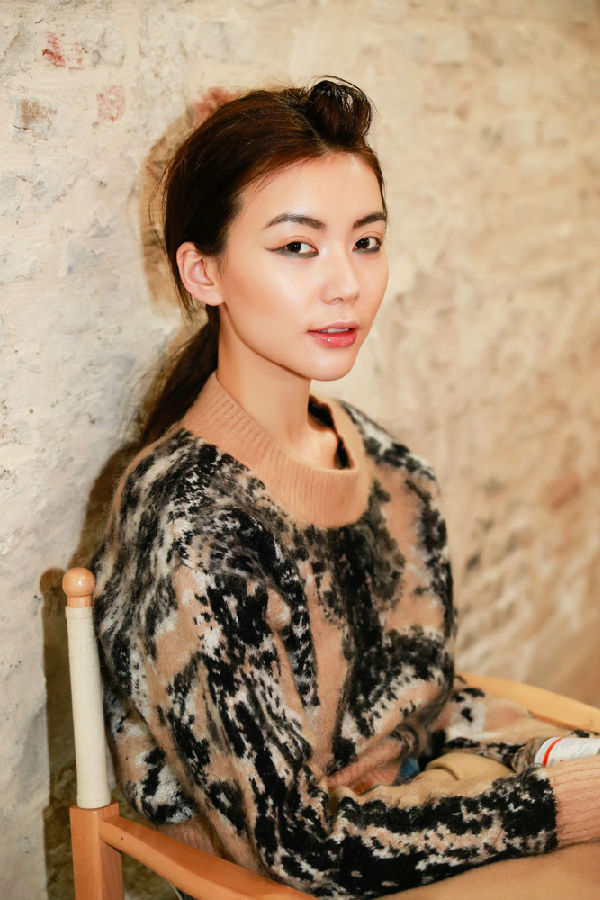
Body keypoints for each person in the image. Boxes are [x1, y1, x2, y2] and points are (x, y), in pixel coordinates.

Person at [92, 79, 600, 900]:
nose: (346, 284)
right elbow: (296, 848)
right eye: (298, 246)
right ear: (203, 271)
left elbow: (423, 705)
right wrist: (558, 802)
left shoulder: (394, 471)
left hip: (421, 814)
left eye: (366, 242)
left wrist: (540, 756)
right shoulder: (190, 520)